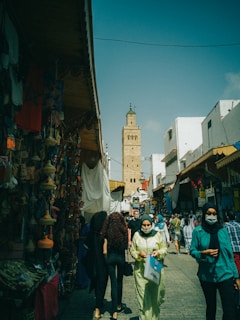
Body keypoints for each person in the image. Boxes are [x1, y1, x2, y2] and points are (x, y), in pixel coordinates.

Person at [190, 202, 240, 320]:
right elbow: (192, 250)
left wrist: (236, 276)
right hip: (206, 276)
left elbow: (229, 255)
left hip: (225, 274)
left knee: (230, 310)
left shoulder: (223, 230)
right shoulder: (198, 231)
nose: (211, 216)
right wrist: (203, 253)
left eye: (214, 214)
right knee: (211, 308)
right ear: (204, 214)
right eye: (208, 213)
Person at [130, 214, 168, 320]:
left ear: (151, 224)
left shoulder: (157, 235)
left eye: (148, 225)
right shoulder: (137, 235)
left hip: (155, 269)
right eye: (144, 225)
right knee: (143, 297)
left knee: (155, 296)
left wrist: (158, 252)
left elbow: (164, 249)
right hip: (140, 271)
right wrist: (138, 254)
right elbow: (132, 250)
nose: (146, 227)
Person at [101, 211, 128, 320]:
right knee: (119, 281)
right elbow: (126, 247)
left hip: (110, 258)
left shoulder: (107, 232)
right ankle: (119, 304)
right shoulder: (123, 231)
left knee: (113, 283)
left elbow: (104, 251)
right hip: (120, 258)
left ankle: (114, 312)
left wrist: (105, 259)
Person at [83, 211, 108, 319]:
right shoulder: (104, 235)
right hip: (102, 264)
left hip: (92, 263)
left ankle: (99, 302)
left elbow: (86, 246)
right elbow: (105, 251)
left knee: (97, 282)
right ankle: (98, 308)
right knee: (101, 284)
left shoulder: (91, 234)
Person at [76, 215, 90, 289]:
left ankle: (84, 282)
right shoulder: (82, 226)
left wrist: (80, 238)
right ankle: (80, 282)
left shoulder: (87, 226)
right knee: (80, 265)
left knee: (83, 265)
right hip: (81, 247)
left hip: (84, 248)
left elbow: (88, 237)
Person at [224, 211, 240, 275]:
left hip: (233, 249)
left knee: (236, 265)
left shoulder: (226, 226)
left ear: (227, 217)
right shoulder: (239, 225)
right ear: (235, 217)